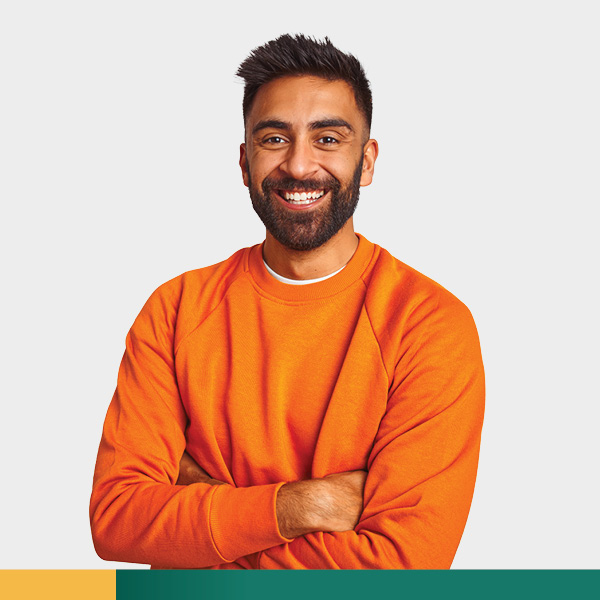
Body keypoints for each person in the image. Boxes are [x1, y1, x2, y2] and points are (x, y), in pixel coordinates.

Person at [90, 33, 485, 570]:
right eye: (275, 139)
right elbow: (118, 521)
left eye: (327, 139)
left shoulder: (430, 324)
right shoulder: (176, 309)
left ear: (366, 161)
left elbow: (401, 565)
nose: (299, 166)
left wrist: (203, 516)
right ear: (244, 160)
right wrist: (305, 504)